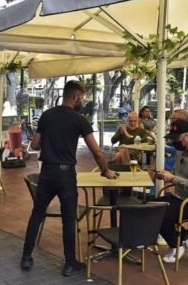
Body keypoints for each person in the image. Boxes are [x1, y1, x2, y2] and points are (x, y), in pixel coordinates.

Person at [21, 80, 118, 276]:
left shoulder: (47, 115)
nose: (81, 101)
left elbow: (35, 144)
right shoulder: (79, 119)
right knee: (69, 219)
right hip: (66, 175)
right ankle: (69, 263)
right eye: (81, 98)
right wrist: (105, 170)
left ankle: (26, 257)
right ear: (75, 96)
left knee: (37, 214)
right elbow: (97, 152)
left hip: (46, 172)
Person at [155, 119, 188, 264]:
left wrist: (173, 178)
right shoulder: (181, 151)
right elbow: (176, 174)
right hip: (180, 197)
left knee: (160, 214)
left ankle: (178, 244)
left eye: (176, 139)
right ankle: (186, 236)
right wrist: (165, 174)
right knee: (149, 207)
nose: (174, 142)